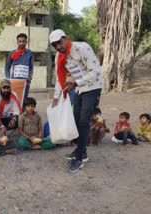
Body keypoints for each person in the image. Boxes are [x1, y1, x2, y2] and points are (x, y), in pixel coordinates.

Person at [50, 29, 103, 173]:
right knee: (76, 118)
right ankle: (82, 151)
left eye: (59, 43)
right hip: (79, 87)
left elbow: (95, 71)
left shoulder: (82, 48)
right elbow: (59, 78)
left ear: (66, 38)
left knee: (83, 120)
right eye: (54, 45)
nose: (58, 47)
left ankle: (79, 157)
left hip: (93, 86)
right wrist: (56, 97)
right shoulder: (59, 57)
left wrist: (75, 83)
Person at [5, 33, 33, 109]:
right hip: (15, 82)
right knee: (14, 100)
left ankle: (22, 117)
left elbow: (31, 66)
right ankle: (13, 117)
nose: (21, 43)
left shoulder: (29, 53)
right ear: (17, 42)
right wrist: (8, 78)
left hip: (25, 82)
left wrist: (30, 76)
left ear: (26, 42)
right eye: (20, 41)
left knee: (24, 101)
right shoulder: (12, 53)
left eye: (23, 41)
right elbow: (7, 67)